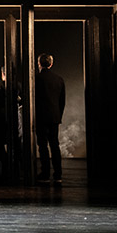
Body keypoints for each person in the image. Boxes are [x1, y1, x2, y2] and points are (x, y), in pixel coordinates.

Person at [35, 53, 66, 185]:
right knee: (55, 145)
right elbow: (62, 101)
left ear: (39, 64)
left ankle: (45, 173)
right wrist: (59, 115)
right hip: (54, 116)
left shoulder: (36, 79)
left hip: (41, 116)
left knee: (42, 145)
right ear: (51, 64)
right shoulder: (59, 79)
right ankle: (58, 174)